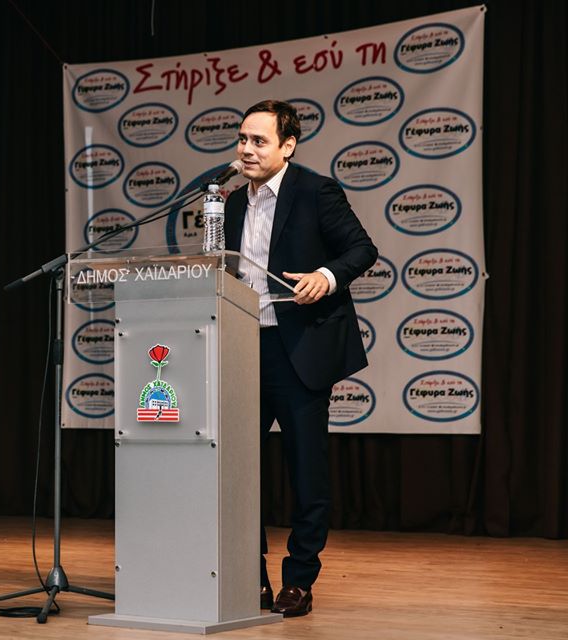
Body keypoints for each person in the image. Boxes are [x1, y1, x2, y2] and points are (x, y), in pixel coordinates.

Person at [223, 100, 378, 617]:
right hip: (242, 348)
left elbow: (362, 249)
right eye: (242, 139)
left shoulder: (315, 191)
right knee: (237, 471)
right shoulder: (232, 203)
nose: (247, 149)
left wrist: (325, 278)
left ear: (287, 146)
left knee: (306, 472)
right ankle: (249, 576)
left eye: (259, 140)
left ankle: (299, 580)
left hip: (298, 352)